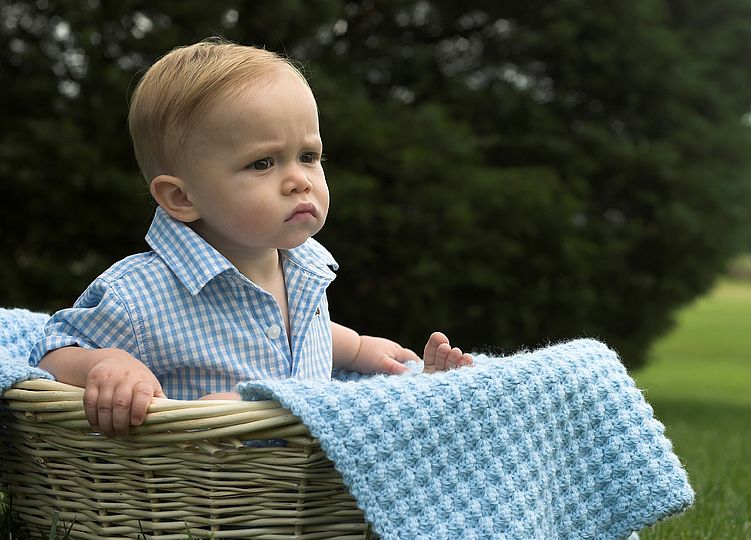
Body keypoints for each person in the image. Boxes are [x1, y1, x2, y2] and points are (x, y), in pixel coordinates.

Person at [29, 38, 472, 436]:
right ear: (182, 197)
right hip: (204, 495)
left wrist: (357, 349)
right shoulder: (141, 294)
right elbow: (50, 354)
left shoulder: (301, 265)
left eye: (308, 156)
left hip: (301, 491)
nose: (299, 180)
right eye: (263, 163)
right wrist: (108, 364)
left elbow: (290, 334)